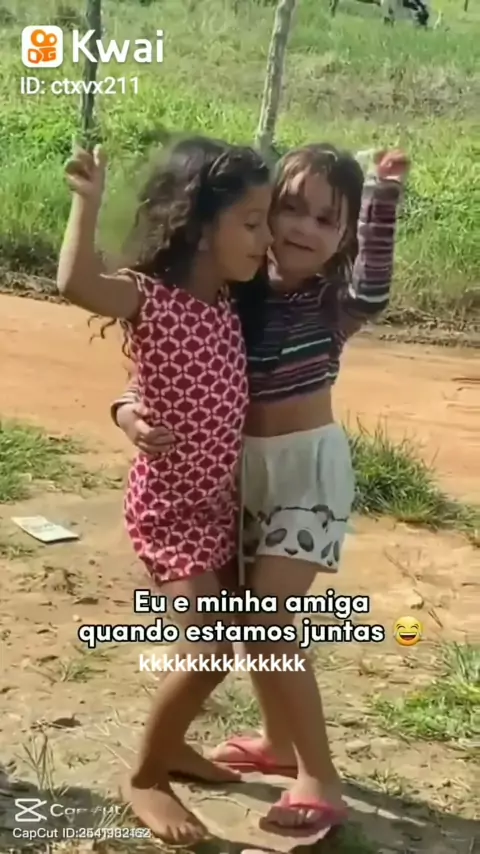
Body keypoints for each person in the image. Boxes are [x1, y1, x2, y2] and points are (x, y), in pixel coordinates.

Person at [110, 143, 409, 833]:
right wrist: (128, 411)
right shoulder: (235, 297)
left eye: (326, 220)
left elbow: (374, 286)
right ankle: (277, 743)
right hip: (241, 480)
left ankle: (320, 778)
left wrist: (383, 197)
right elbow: (160, 367)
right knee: (252, 624)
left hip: (307, 479)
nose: (303, 228)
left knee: (269, 618)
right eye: (290, 209)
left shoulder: (333, 304)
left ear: (344, 236)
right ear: (262, 214)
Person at [56, 135, 272, 843]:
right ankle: (146, 776)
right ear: (200, 227)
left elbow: (151, 380)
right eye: (251, 223)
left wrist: (128, 406)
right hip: (171, 512)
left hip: (218, 509)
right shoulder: (152, 299)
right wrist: (87, 204)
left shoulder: (229, 304)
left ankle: (173, 748)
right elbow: (75, 284)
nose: (265, 239)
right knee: (207, 655)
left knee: (213, 650)